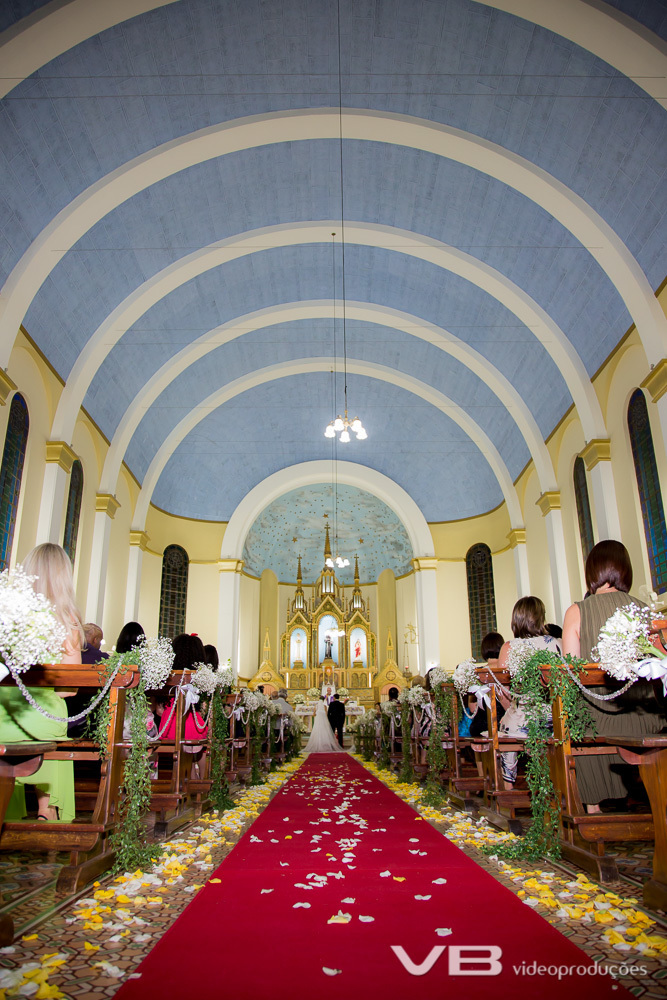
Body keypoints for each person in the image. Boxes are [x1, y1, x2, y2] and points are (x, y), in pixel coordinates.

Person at [562, 539, 666, 813]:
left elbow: (571, 674)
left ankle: (593, 810)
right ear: (626, 570)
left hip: (598, 719)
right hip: (644, 718)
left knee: (578, 718)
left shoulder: (577, 611)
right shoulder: (644, 610)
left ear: (591, 573)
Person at [0, 543, 83, 822]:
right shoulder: (66, 619)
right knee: (53, 715)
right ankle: (47, 810)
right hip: (43, 718)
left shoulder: (8, 614)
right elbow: (68, 688)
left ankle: (7, 809)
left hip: (3, 717)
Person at [496, 597, 561, 789]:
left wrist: (515, 710)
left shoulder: (509, 647)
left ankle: (508, 787)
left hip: (522, 717)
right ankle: (556, 783)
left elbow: (503, 693)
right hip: (554, 718)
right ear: (541, 618)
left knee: (505, 728)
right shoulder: (557, 643)